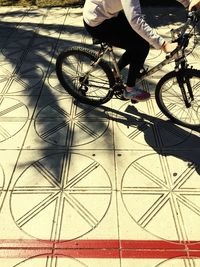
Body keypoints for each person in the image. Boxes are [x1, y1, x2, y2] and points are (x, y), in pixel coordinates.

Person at [83, 0, 200, 102]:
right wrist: (163, 44)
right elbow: (135, 20)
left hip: (107, 13)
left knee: (138, 43)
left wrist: (188, 3)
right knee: (141, 46)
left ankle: (116, 69)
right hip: (97, 21)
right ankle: (130, 90)